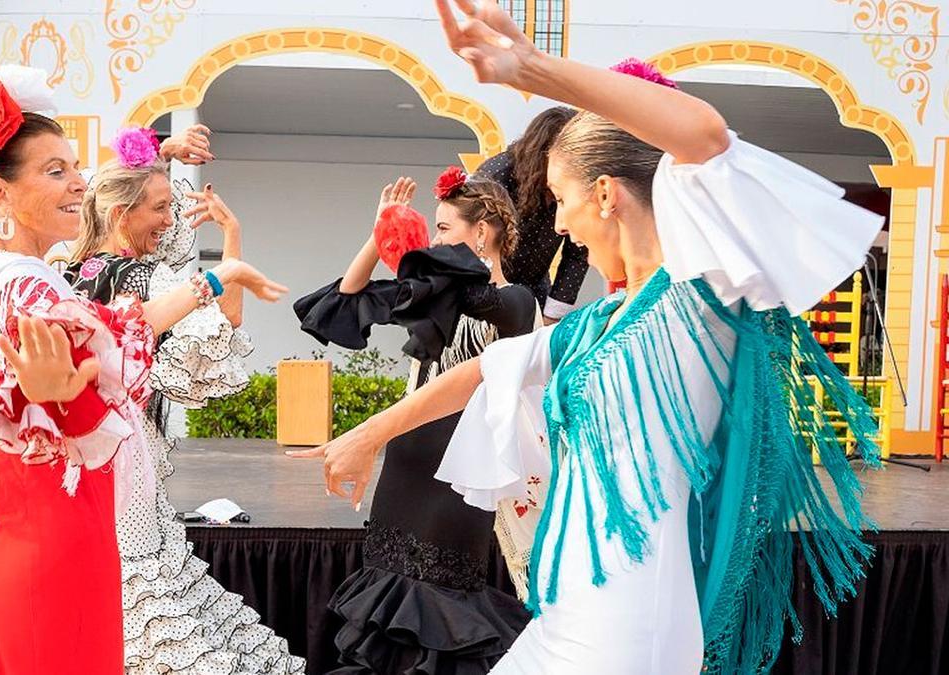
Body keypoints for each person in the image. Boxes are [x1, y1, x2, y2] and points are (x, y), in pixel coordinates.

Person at [304, 2, 887, 673]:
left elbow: (705, 137)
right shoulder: (602, 321)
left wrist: (531, 68)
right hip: (567, 611)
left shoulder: (698, 300)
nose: (557, 223)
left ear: (606, 194)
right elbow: (487, 368)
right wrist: (365, 437)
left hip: (627, 631)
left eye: (559, 198)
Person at [0, 68, 285, 675]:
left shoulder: (14, 277)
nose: (79, 182)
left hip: (27, 517)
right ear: (1, 192)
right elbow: (59, 413)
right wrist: (77, 406)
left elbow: (120, 329)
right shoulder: (25, 285)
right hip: (49, 520)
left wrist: (218, 277)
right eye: (56, 171)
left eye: (75, 168)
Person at [64, 132, 305, 674]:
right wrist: (233, 240)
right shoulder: (151, 278)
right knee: (140, 586)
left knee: (102, 583)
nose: (170, 220)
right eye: (160, 208)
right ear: (123, 213)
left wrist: (161, 155)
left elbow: (104, 189)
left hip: (76, 459)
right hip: (126, 457)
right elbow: (228, 320)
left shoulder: (68, 273)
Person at [291, 171, 537, 673]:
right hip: (404, 465)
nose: (435, 240)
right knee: (387, 608)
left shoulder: (515, 301)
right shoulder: (435, 293)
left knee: (438, 608)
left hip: (459, 475)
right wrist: (380, 231)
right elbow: (347, 298)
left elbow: (467, 296)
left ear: (482, 232)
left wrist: (413, 262)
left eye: (444, 228)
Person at [475, 107, 589, 322]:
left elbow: (578, 252)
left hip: (536, 292)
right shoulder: (496, 175)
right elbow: (471, 238)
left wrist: (552, 315)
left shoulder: (574, 183)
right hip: (484, 290)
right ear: (543, 152)